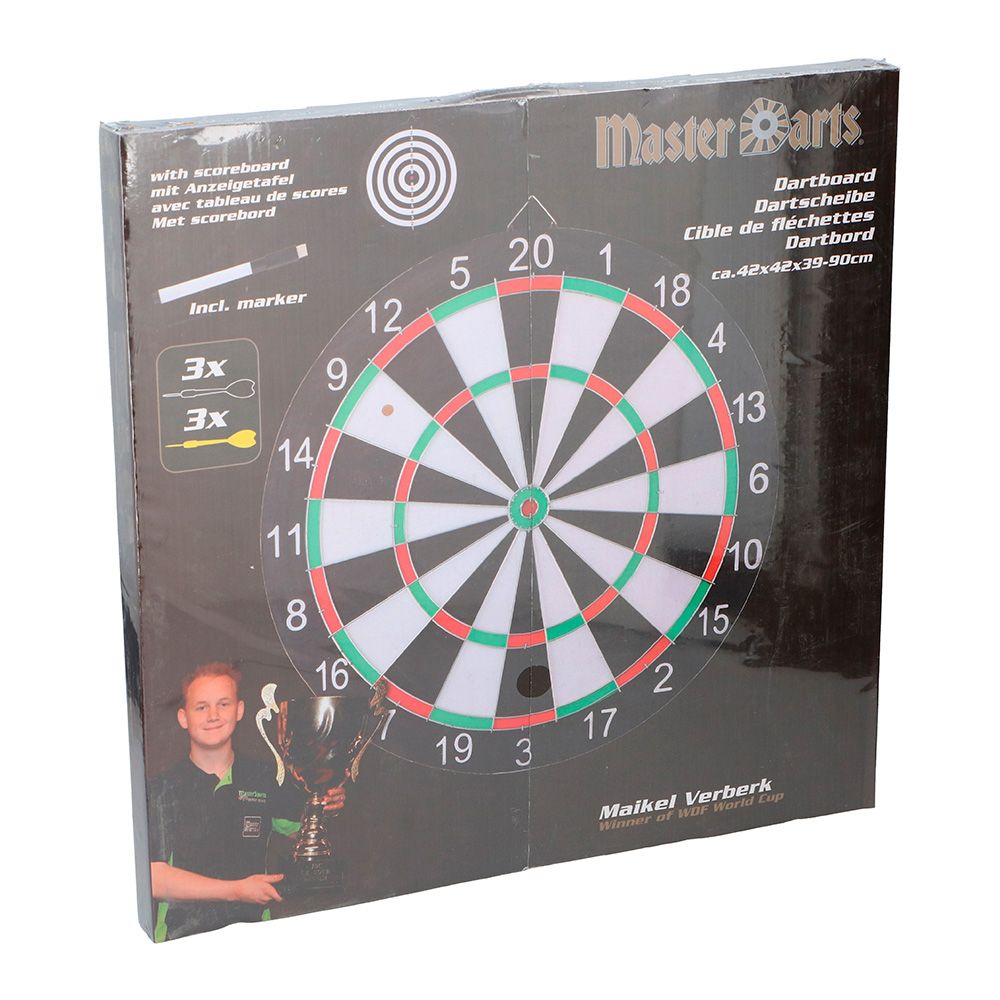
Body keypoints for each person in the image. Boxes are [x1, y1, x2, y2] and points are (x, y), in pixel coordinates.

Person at [148, 662, 346, 941]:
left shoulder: (266, 777)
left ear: (239, 710)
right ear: (183, 717)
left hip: (254, 931)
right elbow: (155, 878)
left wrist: (325, 801)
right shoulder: (162, 788)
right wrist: (236, 890)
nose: (213, 716)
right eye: (201, 707)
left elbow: (302, 833)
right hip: (181, 937)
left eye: (223, 704)